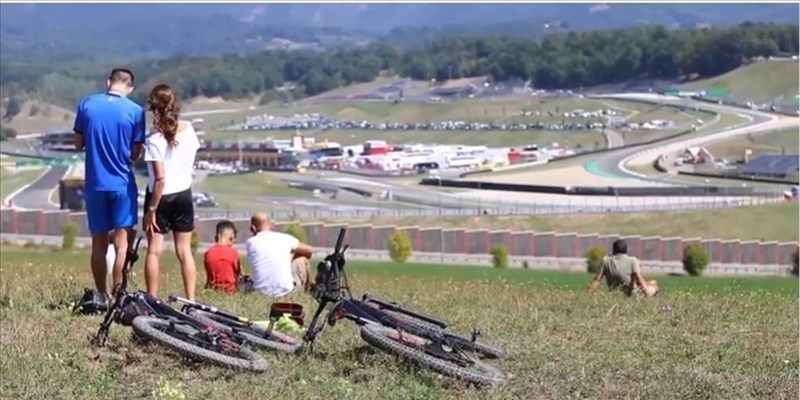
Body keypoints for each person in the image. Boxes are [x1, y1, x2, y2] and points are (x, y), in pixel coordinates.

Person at [73, 68, 145, 299]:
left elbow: (77, 143)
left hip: (95, 183)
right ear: (130, 88)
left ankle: (101, 294)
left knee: (99, 244)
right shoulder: (136, 111)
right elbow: (135, 153)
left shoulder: (87, 104)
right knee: (122, 244)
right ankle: (119, 295)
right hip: (122, 184)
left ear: (108, 82)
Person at [142, 84, 201, 301]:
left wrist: (151, 210)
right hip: (184, 193)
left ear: (153, 108)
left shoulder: (154, 140)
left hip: (160, 197)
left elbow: (160, 180)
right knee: (184, 251)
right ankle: (191, 299)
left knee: (154, 250)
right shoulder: (190, 130)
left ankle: (152, 298)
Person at [245, 212, 314, 297]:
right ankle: (309, 291)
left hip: (260, 293)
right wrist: (292, 256)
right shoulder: (285, 238)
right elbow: (309, 250)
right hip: (287, 292)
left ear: (252, 228)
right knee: (302, 258)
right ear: (270, 225)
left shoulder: (251, 242)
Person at [587, 239, 659, 297]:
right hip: (633, 295)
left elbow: (597, 279)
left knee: (652, 281)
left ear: (613, 250)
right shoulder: (633, 260)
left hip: (615, 294)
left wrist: (589, 293)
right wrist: (646, 291)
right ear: (626, 250)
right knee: (655, 286)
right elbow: (639, 279)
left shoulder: (606, 260)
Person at [204, 220, 241, 294]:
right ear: (231, 238)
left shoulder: (208, 253)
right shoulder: (233, 253)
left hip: (212, 290)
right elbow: (237, 274)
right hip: (230, 291)